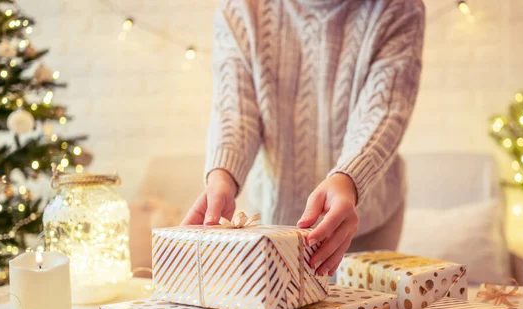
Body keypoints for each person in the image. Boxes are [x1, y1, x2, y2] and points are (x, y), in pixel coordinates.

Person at [182, 0, 425, 277]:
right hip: (273, 219)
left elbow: (383, 110)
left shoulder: (400, 7)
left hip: (366, 220)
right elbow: (236, 111)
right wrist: (222, 178)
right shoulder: (242, 8)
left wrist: (349, 179)